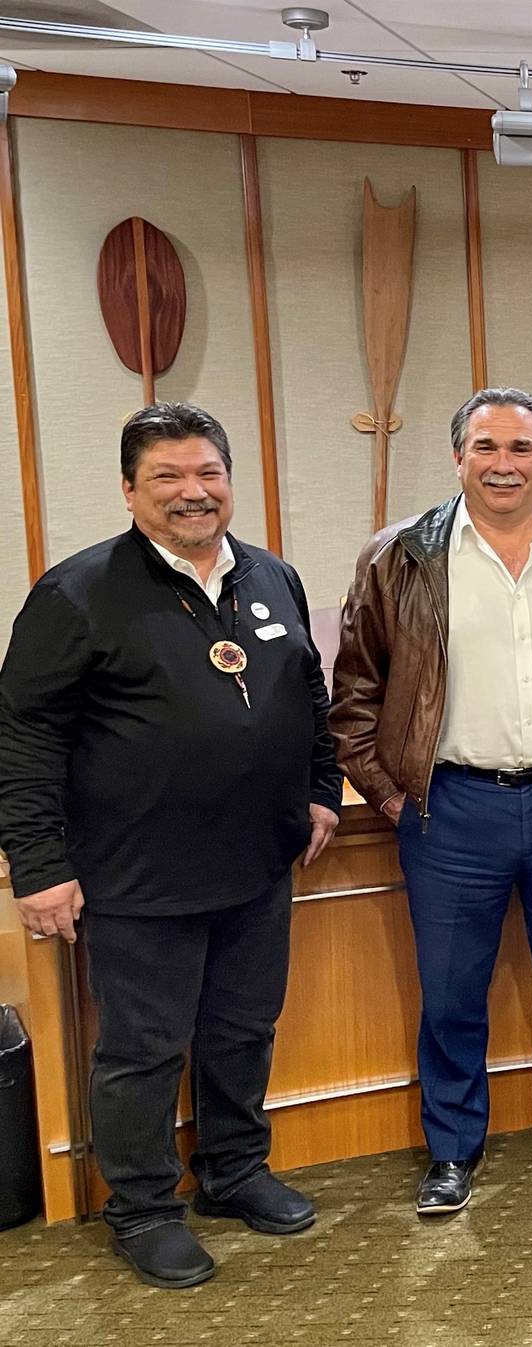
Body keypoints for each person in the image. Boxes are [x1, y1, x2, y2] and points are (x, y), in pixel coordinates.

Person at [0, 403, 341, 1288]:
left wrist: (315, 791)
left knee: (241, 1031)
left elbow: (309, 690)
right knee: (143, 1049)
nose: (193, 493)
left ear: (229, 480)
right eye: (168, 478)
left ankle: (233, 1172)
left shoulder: (272, 576)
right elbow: (24, 738)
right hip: (136, 876)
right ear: (128, 489)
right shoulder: (76, 594)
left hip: (258, 864)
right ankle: (143, 1205)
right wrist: (37, 866)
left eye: (208, 474)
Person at [330, 387, 532, 1216]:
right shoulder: (400, 555)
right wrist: (394, 799)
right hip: (448, 812)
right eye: (486, 447)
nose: (503, 463)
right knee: (449, 993)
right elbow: (354, 698)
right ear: (458, 457)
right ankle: (450, 1152)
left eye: (520, 448)